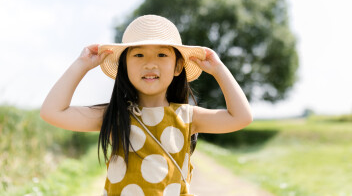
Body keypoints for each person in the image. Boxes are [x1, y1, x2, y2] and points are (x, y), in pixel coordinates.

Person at [40, 14, 253, 196]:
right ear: (123, 67)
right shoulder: (114, 115)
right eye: (139, 54)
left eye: (162, 54)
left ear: (178, 66)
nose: (150, 63)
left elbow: (241, 117)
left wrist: (218, 69)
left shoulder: (188, 116)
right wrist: (82, 65)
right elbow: (52, 112)